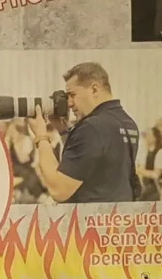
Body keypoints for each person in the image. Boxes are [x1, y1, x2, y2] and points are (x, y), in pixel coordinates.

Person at [26, 62, 140, 205]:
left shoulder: (92, 127)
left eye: (72, 95)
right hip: (116, 213)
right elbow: (96, 164)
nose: (69, 103)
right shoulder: (127, 122)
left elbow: (59, 190)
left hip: (90, 215)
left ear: (94, 89)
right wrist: (64, 131)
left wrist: (41, 136)